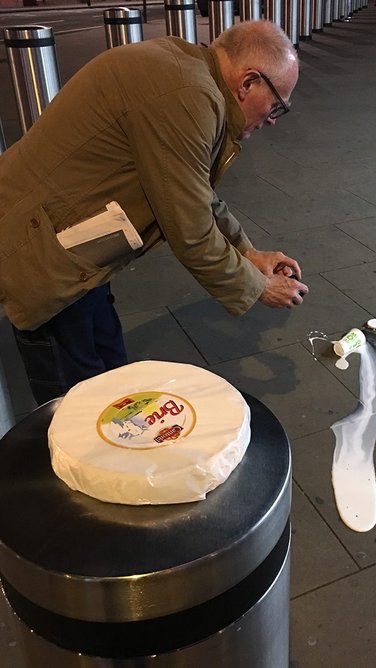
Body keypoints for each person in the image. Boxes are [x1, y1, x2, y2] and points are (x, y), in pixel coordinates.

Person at [0, 20, 308, 405]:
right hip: (38, 254)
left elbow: (196, 191)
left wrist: (249, 253)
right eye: (277, 104)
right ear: (248, 82)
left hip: (72, 248)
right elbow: (191, 230)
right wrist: (258, 285)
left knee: (106, 373)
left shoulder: (193, 75)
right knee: (73, 407)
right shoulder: (188, 95)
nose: (274, 118)